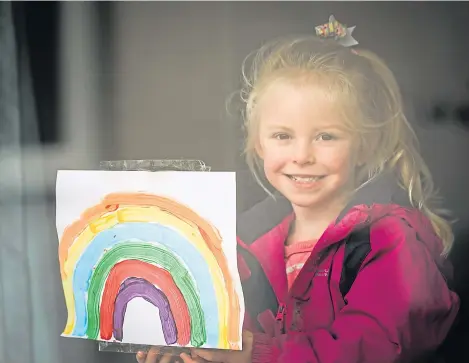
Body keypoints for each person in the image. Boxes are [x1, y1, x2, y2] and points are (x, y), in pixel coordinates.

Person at [136, 30, 460, 363]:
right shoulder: (242, 245)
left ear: (366, 146)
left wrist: (251, 354)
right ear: (259, 144)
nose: (302, 155)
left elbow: (372, 347)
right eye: (282, 136)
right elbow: (232, 338)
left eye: (326, 136)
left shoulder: (391, 240)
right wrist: (194, 353)